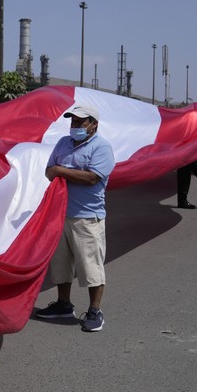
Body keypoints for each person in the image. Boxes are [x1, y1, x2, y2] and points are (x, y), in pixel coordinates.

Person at [36, 105, 115, 333]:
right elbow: (49, 169)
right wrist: (61, 171)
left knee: (91, 267)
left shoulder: (102, 147)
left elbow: (92, 177)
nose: (75, 126)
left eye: (80, 122)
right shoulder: (63, 143)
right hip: (61, 214)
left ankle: (94, 310)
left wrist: (62, 171)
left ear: (93, 125)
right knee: (60, 264)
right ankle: (63, 304)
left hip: (87, 217)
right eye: (73, 122)